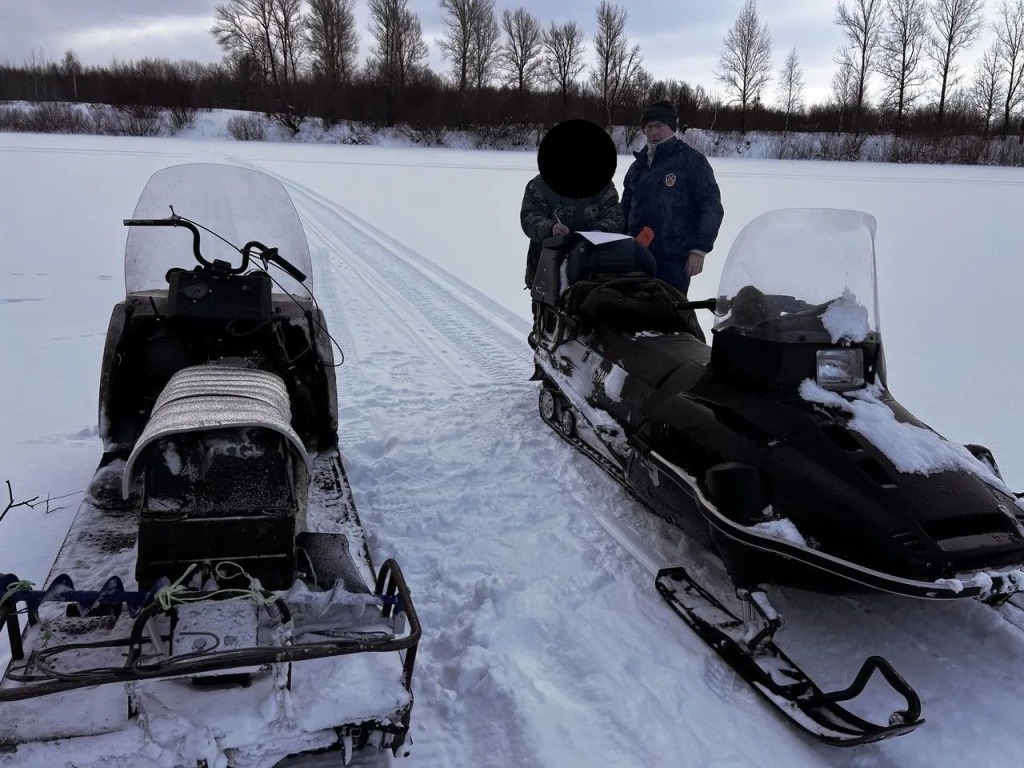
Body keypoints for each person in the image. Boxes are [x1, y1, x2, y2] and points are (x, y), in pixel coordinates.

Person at [621, 100, 724, 295]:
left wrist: (699, 250)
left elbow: (711, 206)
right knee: (634, 315)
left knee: (668, 317)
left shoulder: (691, 161)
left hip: (674, 261)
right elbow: (625, 208)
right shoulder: (638, 166)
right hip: (637, 257)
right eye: (649, 127)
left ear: (671, 127)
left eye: (659, 125)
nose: (653, 132)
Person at [520, 173, 624, 288]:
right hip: (547, 269)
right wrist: (551, 228)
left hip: (593, 270)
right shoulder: (540, 183)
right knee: (546, 303)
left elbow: (615, 216)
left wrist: (599, 232)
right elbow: (529, 217)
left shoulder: (604, 185)